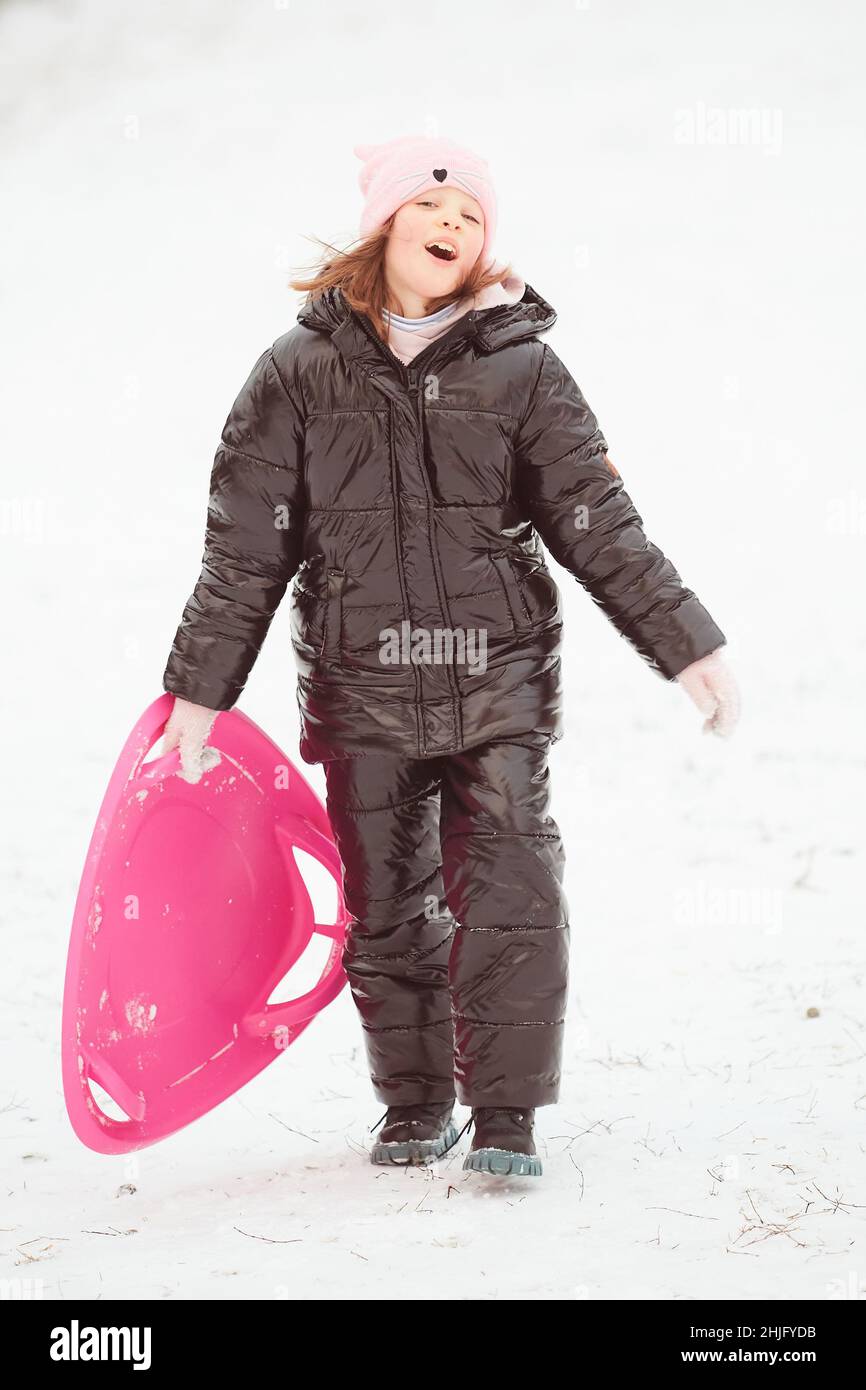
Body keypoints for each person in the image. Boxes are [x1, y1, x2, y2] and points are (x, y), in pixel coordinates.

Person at [160, 133, 741, 1179]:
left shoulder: (521, 368)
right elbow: (245, 546)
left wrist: (684, 642)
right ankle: (415, 1102)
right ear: (385, 225)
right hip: (361, 687)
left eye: (470, 216)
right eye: (431, 209)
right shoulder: (296, 373)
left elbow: (595, 520)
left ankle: (507, 1115)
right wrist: (195, 697)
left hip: (496, 681)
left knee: (513, 886)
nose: (450, 225)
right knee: (388, 904)